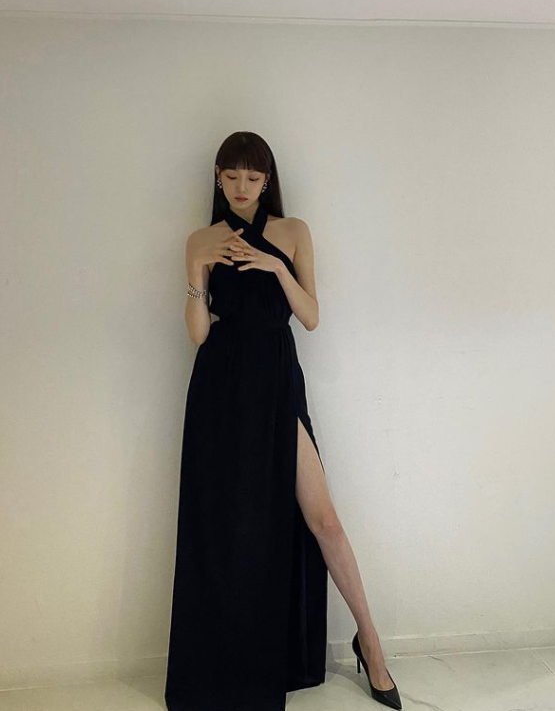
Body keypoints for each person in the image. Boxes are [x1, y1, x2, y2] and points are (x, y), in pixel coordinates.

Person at [166, 130, 402, 711]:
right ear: (217, 177)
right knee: (227, 528)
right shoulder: (201, 238)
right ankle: (230, 663)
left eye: (253, 177)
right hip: (221, 390)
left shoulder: (294, 232)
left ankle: (371, 643)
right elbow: (198, 333)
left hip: (276, 382)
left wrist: (274, 265)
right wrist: (196, 268)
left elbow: (312, 316)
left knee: (324, 520)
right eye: (231, 176)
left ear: (267, 180)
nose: (241, 187)